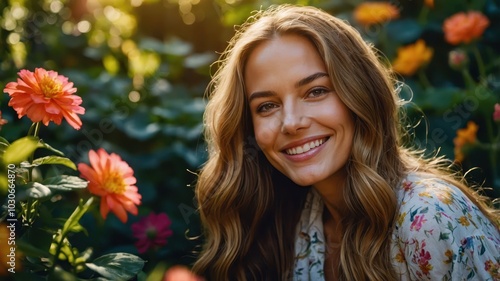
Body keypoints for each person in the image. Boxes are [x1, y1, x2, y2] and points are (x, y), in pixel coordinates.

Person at [192, 4, 500, 281]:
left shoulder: (430, 216)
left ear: (360, 94)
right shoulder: (288, 219)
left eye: (316, 91)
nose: (291, 122)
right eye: (266, 106)